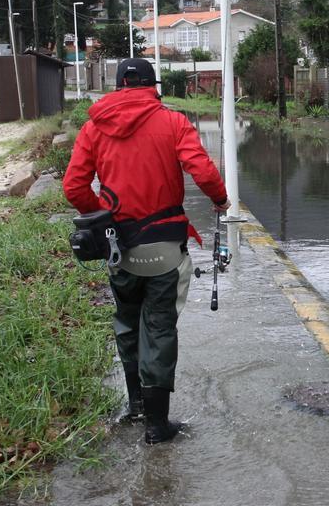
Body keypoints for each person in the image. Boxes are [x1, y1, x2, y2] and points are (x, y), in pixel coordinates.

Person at [64, 58, 230, 444]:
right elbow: (202, 170)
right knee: (158, 327)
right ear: (153, 85)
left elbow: (74, 187)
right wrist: (220, 201)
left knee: (127, 322)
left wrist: (103, 216)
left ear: (119, 85)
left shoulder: (94, 127)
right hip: (165, 248)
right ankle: (157, 425)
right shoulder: (172, 122)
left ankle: (135, 405)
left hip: (118, 246)